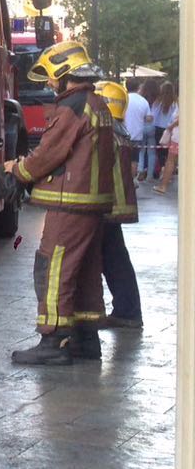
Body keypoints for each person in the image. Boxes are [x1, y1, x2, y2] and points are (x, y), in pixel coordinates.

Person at [5, 43, 116, 365]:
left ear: (65, 72)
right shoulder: (97, 103)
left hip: (71, 204)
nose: (50, 84)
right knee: (84, 270)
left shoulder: (73, 106)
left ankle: (53, 341)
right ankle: (85, 338)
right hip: (91, 204)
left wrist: (18, 171)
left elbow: (50, 152)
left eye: (52, 77)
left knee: (53, 268)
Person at [95, 81, 142, 330]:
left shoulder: (106, 133)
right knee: (115, 258)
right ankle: (127, 310)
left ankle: (126, 311)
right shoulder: (120, 131)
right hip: (114, 206)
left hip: (104, 206)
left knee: (110, 259)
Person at [123, 79, 152, 183]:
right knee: (134, 159)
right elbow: (149, 118)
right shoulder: (143, 101)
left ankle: (123, 180)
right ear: (138, 87)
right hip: (137, 135)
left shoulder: (123, 99)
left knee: (122, 158)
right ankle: (131, 181)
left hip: (122, 134)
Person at [151, 82, 178, 180]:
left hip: (157, 128)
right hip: (169, 129)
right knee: (169, 153)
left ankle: (162, 167)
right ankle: (167, 170)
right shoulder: (175, 103)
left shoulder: (157, 103)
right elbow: (175, 117)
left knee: (159, 151)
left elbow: (152, 116)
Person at [154, 107, 179, 195]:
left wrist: (170, 127)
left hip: (178, 137)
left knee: (170, 161)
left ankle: (163, 186)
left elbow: (181, 119)